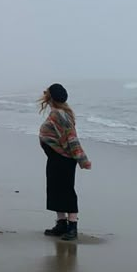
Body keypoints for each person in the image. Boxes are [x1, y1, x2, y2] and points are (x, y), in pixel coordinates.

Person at [39, 83, 91, 241]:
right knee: (54, 189)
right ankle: (61, 223)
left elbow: (71, 138)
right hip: (55, 157)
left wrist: (82, 159)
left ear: (51, 98)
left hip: (64, 159)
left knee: (66, 190)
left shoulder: (60, 115)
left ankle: (72, 226)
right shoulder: (57, 112)